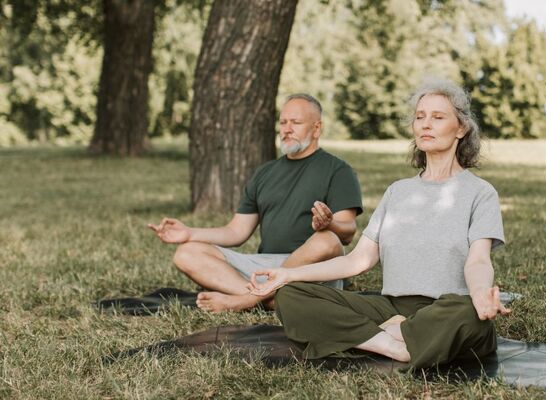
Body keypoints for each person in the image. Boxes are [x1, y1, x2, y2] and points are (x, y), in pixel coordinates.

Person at [249, 79, 509, 368]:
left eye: (438, 117)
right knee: (292, 295)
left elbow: (478, 261)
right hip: (391, 309)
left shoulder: (480, 193)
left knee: (471, 317)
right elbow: (358, 260)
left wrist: (480, 293)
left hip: (446, 308)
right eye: (420, 117)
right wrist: (288, 275)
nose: (425, 124)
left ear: (461, 128)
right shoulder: (398, 192)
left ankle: (376, 335)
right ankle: (392, 344)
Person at [148, 94, 363, 313]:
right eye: (283, 122)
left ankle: (245, 301)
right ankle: (269, 300)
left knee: (327, 240)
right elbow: (236, 232)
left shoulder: (338, 170)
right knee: (187, 253)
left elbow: (347, 233)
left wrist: (329, 224)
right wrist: (189, 233)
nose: (287, 129)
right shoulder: (265, 173)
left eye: (296, 123)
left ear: (316, 128)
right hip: (265, 268)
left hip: (311, 269)